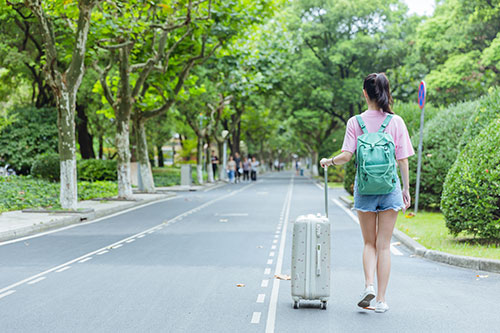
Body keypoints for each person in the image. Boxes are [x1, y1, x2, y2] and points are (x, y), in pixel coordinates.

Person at [320, 73, 413, 313]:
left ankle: (368, 285)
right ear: (386, 92)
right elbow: (402, 159)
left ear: (364, 93)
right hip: (390, 188)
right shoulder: (396, 122)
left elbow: (346, 156)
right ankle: (381, 300)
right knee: (384, 245)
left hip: (364, 188)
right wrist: (405, 189)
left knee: (369, 243)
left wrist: (328, 161)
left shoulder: (355, 122)